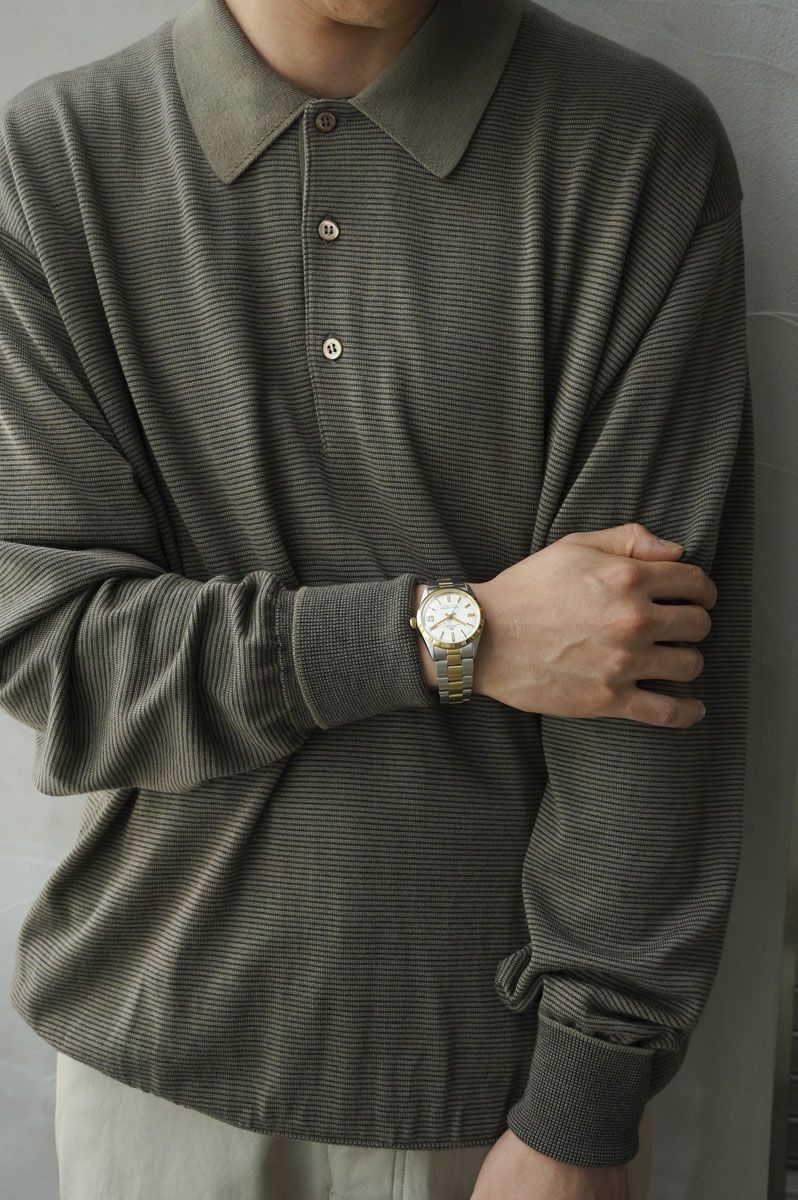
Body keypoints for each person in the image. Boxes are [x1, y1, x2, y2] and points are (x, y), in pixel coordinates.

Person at [0, 0, 753, 1196]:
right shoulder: (59, 157)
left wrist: (583, 1104)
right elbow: (56, 649)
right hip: (157, 1065)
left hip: (501, 1101)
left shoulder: (632, 147)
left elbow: (644, 671)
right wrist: (459, 635)